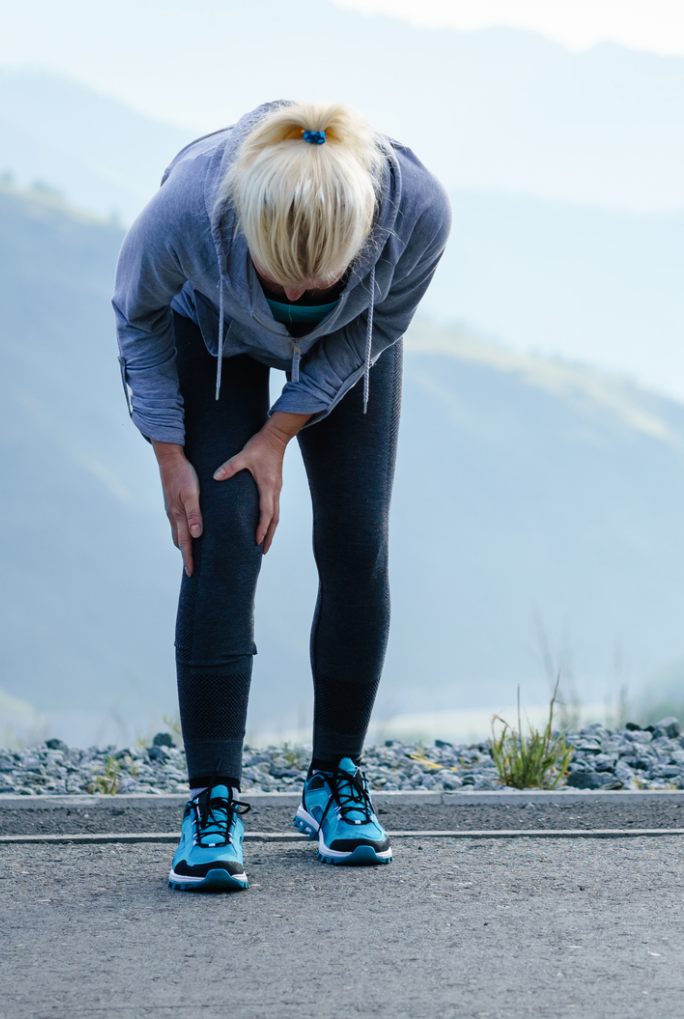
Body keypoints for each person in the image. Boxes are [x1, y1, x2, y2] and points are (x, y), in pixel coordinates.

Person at [114, 100, 450, 891]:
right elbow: (138, 318)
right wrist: (169, 451)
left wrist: (279, 433)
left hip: (353, 342)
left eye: (316, 286)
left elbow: (384, 326)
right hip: (213, 331)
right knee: (219, 526)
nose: (295, 300)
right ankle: (212, 800)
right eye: (279, 283)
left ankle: (334, 777)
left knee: (356, 536)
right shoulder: (186, 214)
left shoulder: (417, 215)